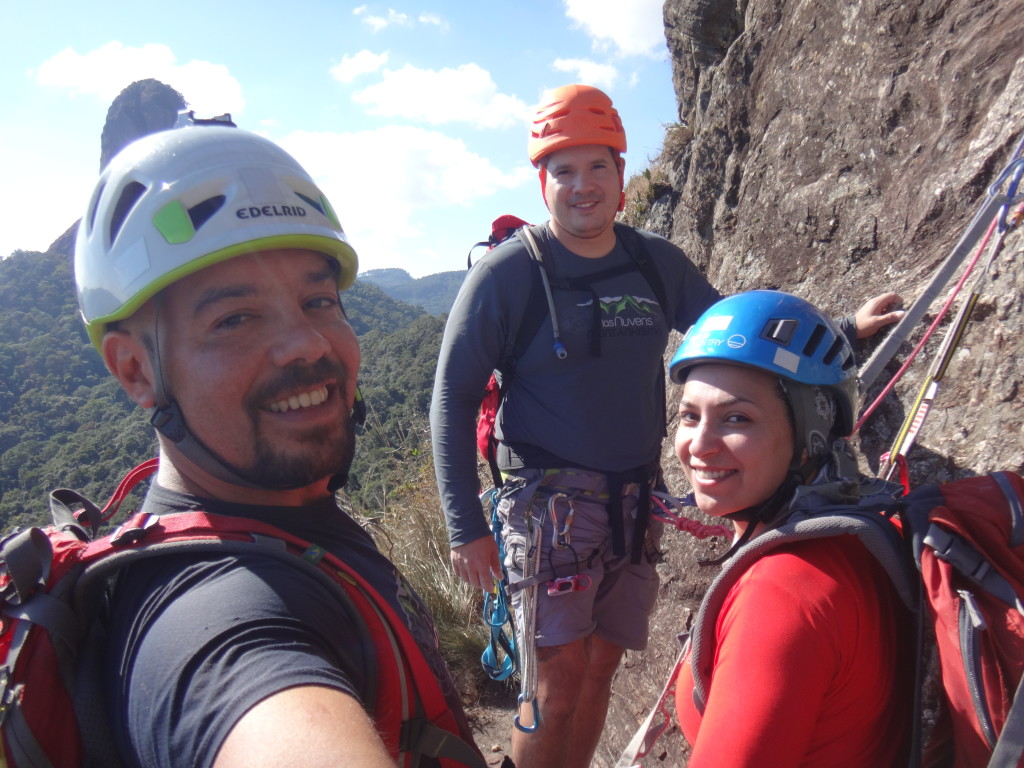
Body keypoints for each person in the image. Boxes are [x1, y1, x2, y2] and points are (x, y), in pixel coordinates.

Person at [429, 83, 904, 768]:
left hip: (631, 501)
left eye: (598, 166)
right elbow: (451, 398)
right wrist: (462, 525)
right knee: (556, 680)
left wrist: (841, 333)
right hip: (548, 509)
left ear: (621, 176)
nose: (582, 185)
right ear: (543, 183)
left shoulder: (653, 262)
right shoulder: (509, 277)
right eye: (564, 170)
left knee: (601, 668)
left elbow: (740, 333)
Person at [75, 115, 482, 768]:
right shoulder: (213, 623)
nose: (309, 343)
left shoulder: (288, 515)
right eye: (235, 317)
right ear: (136, 370)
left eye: (319, 301)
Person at [667, 290, 915, 767]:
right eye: (689, 416)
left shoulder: (781, 597)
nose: (699, 445)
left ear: (811, 435)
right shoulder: (857, 532)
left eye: (736, 418)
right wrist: (844, 330)